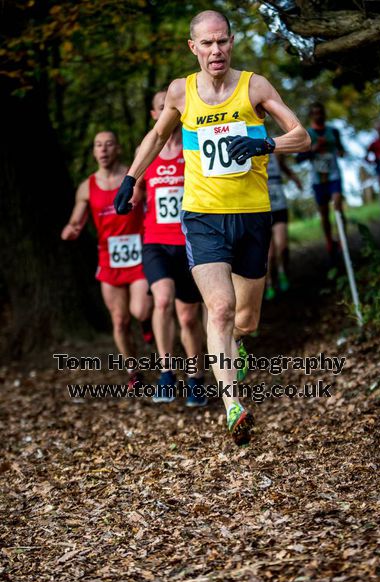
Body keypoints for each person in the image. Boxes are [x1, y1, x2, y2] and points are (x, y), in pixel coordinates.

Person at [114, 10, 310, 445]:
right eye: (207, 43)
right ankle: (233, 405)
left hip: (253, 215)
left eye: (222, 41)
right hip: (202, 217)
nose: (215, 50)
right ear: (193, 47)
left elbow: (302, 135)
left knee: (246, 318)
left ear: (232, 42)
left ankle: (239, 346)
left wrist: (266, 142)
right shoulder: (181, 92)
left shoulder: (253, 86)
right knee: (218, 308)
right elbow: (154, 136)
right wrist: (131, 178)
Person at [61, 131, 153, 389]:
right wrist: (72, 228)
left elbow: (153, 201)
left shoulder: (136, 178)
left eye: (109, 144)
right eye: (98, 145)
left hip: (138, 255)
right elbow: (77, 219)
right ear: (93, 152)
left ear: (118, 149)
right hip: (109, 260)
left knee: (140, 309)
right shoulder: (86, 187)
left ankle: (147, 323)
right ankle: (133, 371)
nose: (103, 150)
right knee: (119, 320)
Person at [134, 90, 206, 407]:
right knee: (162, 300)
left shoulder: (193, 146)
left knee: (189, 318)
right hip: (156, 242)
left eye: (172, 106)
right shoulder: (146, 149)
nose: (168, 111)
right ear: (154, 115)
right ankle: (166, 374)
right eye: (161, 108)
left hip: (189, 243)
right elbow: (134, 186)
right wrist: (131, 198)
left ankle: (196, 379)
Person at [298, 102, 345, 261]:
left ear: (324, 114)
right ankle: (329, 241)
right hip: (318, 180)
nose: (319, 115)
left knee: (338, 204)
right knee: (324, 214)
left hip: (333, 175)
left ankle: (342, 238)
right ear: (311, 116)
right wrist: (314, 150)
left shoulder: (334, 132)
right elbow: (299, 158)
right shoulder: (307, 134)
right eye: (315, 113)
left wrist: (340, 151)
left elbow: (341, 148)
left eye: (321, 112)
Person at [264, 154, 302, 301]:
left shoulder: (276, 152)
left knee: (282, 246)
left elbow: (285, 168)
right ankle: (269, 284)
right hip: (263, 207)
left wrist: (295, 179)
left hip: (279, 204)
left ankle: (283, 273)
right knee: (270, 254)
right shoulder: (249, 149)